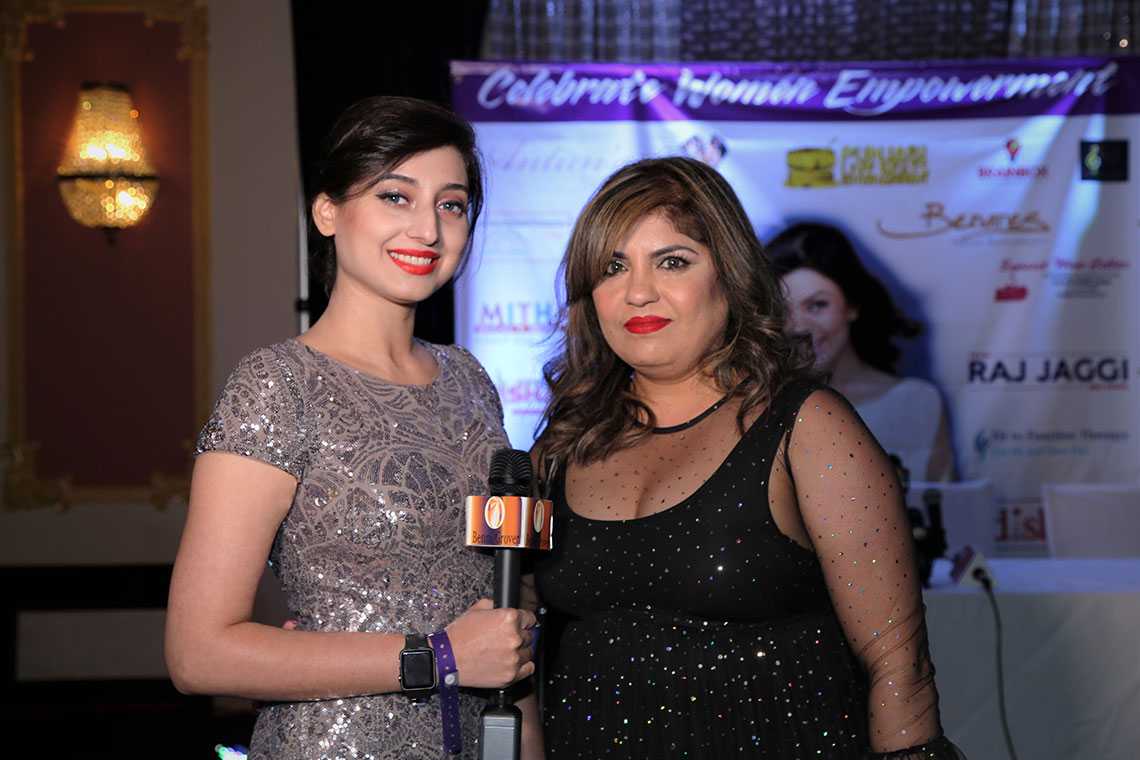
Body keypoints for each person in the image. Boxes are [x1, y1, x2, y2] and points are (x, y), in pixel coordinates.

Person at [529, 157, 963, 758]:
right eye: (612, 267)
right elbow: (514, 656)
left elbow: (899, 665)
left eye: (673, 261)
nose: (638, 292)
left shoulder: (807, 428)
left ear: (729, 275)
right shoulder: (559, 447)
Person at [165, 96, 541, 760]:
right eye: (396, 196)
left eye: (452, 205)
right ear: (327, 212)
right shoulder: (279, 383)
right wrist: (440, 656)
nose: (428, 229)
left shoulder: (470, 380)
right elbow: (198, 654)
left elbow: (504, 618)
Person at [767, 222, 955, 482]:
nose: (798, 326)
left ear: (852, 306)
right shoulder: (757, 406)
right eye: (782, 310)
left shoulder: (916, 402)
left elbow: (943, 502)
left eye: (817, 305)